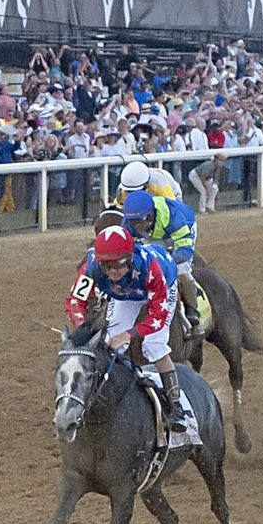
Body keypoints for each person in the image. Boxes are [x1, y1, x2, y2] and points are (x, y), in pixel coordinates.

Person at [65, 217, 193, 435]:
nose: (112, 271)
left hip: (160, 288)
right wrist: (82, 328)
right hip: (125, 295)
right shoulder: (92, 267)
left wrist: (130, 333)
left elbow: (158, 316)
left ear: (130, 258)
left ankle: (175, 407)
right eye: (106, 266)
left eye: (118, 265)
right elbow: (75, 301)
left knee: (153, 345)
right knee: (109, 344)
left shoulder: (152, 268)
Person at [117, 158, 206, 329]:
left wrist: (166, 260)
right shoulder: (130, 216)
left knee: (181, 270)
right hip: (149, 221)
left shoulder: (167, 199)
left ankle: (192, 310)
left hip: (177, 223)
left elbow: (184, 250)